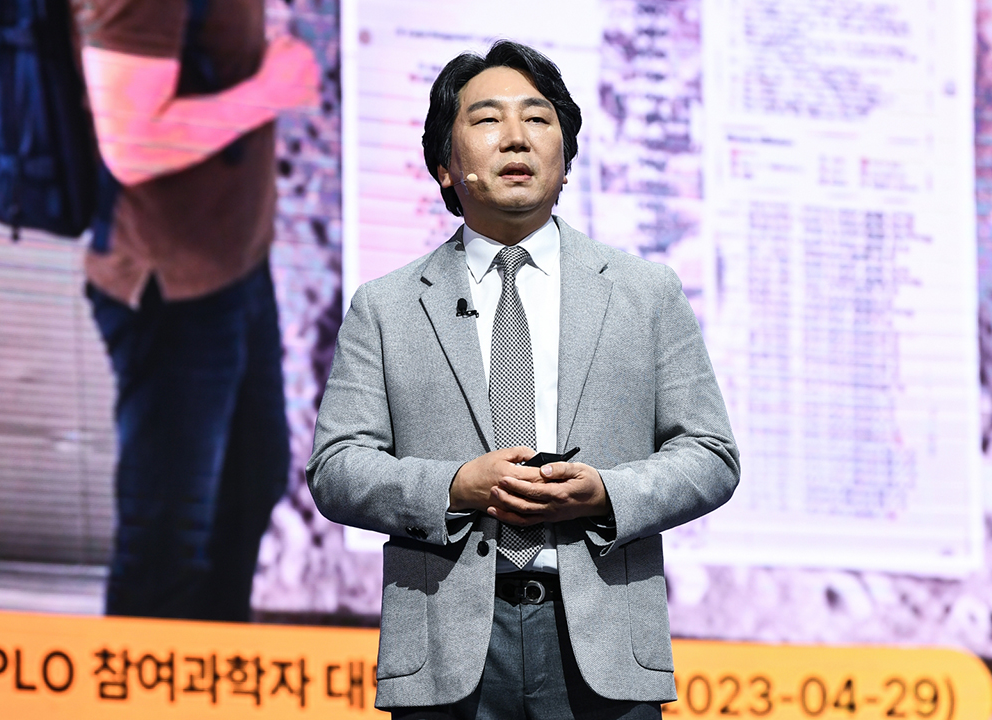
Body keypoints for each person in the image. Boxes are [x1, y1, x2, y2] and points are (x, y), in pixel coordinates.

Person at [307, 40, 739, 719]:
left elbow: (711, 455)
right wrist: (455, 487)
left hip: (603, 645)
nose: (516, 137)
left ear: (565, 159)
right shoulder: (387, 307)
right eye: (487, 120)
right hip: (446, 653)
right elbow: (336, 468)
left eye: (538, 119)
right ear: (445, 165)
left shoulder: (645, 293)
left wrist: (606, 494)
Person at [76, 0, 319, 620]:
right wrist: (271, 88)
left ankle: (215, 666)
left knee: (250, 484)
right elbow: (133, 143)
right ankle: (145, 678)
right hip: (171, 294)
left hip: (232, 269)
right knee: (168, 539)